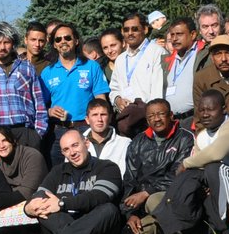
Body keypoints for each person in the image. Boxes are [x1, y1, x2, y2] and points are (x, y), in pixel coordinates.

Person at [130, 90, 229, 234]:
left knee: (213, 168)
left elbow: (216, 153)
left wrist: (186, 163)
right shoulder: (202, 136)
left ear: (223, 109)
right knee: (192, 181)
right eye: (201, 110)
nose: (205, 114)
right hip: (221, 186)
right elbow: (198, 169)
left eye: (210, 109)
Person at [16, 129, 125, 234]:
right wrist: (28, 208)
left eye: (75, 145)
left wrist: (62, 203)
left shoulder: (107, 167)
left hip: (95, 221)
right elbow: (39, 195)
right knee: (44, 209)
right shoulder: (58, 171)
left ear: (86, 143)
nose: (72, 152)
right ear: (63, 153)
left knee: (109, 210)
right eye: (66, 149)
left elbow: (98, 197)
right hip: (66, 220)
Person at [119, 99, 196, 234]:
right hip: (142, 203)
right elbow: (130, 178)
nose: (156, 119)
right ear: (147, 121)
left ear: (171, 115)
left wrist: (147, 193)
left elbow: (178, 175)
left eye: (161, 114)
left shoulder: (185, 138)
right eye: (151, 116)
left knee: (154, 200)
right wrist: (130, 213)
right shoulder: (137, 142)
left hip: (172, 196)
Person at [40, 22, 110, 151]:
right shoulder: (47, 72)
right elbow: (40, 106)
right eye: (58, 39)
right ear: (54, 44)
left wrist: (101, 126)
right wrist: (50, 111)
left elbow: (101, 100)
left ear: (76, 41)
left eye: (67, 38)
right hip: (58, 131)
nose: (63, 41)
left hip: (87, 129)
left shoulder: (91, 66)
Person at [108, 13, 165, 136]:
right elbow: (114, 88)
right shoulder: (121, 59)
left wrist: (153, 117)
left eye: (135, 29)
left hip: (148, 120)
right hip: (127, 120)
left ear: (145, 29)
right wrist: (118, 100)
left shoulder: (156, 52)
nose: (130, 33)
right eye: (126, 30)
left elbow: (158, 90)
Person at [162, 17, 202, 123]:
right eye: (172, 35)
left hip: (193, 118)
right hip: (172, 121)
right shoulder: (168, 60)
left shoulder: (202, 55)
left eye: (179, 34)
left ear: (193, 34)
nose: (174, 39)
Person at [0, 126, 46, 201]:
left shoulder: (32, 156)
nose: (1, 146)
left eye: (5, 140)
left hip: (37, 200)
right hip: (9, 202)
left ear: (13, 141)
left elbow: (27, 192)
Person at [80, 97, 132, 175]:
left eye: (103, 114)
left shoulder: (124, 143)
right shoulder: (77, 144)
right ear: (87, 119)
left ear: (110, 118)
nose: (99, 119)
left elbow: (126, 175)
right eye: (95, 115)